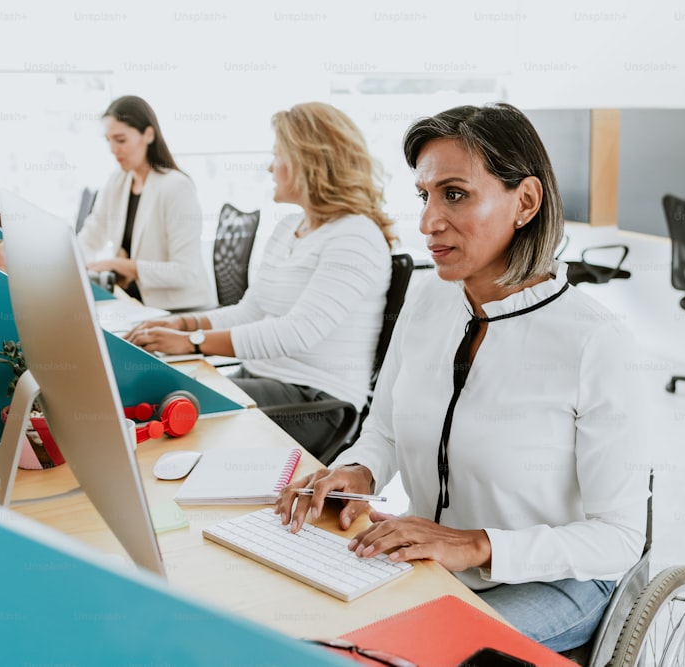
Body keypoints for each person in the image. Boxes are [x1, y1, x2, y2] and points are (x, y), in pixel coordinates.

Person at [276, 103, 650, 653]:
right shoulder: (428, 298)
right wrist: (356, 471)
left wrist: (474, 544)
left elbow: (618, 538)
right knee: (303, 624)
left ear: (525, 201)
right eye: (423, 196)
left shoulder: (595, 340)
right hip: (436, 561)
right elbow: (384, 432)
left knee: (405, 649)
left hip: (551, 581)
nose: (429, 221)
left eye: (455, 194)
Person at [126, 102, 396, 457]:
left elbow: (295, 332)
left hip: (315, 402)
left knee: (175, 407)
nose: (270, 167)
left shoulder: (355, 237)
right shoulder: (289, 229)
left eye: (277, 155)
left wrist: (191, 341)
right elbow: (249, 311)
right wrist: (181, 323)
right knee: (154, 390)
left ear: (309, 161)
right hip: (262, 380)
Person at [78, 95, 213, 311]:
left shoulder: (176, 187)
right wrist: (72, 262)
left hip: (179, 310)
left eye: (120, 140)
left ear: (148, 134)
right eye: (109, 141)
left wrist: (121, 265)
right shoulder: (117, 181)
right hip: (136, 304)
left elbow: (185, 271)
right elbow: (91, 236)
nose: (113, 149)